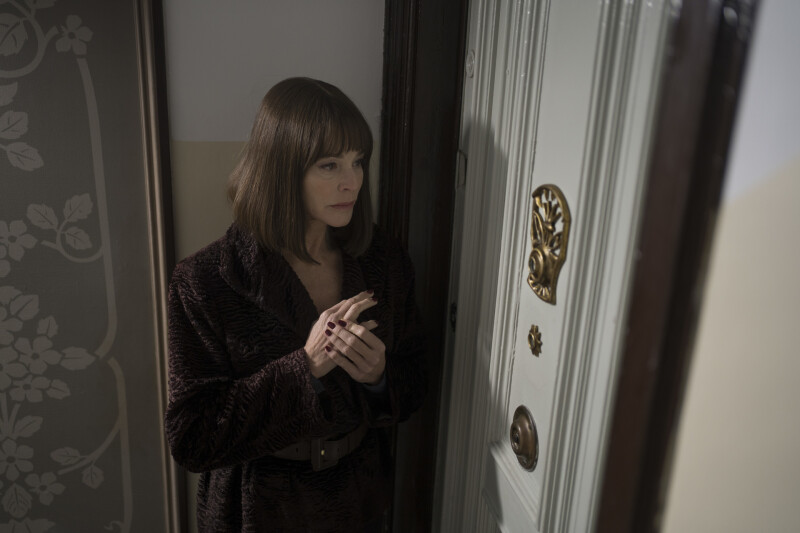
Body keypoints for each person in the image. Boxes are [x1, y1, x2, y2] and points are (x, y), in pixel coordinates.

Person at [164, 77, 427, 532]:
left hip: (357, 503)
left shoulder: (383, 261)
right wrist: (304, 368)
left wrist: (379, 378)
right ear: (281, 169)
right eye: (329, 165)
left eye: (358, 161)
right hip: (255, 510)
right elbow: (192, 438)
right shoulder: (204, 281)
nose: (352, 182)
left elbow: (416, 380)